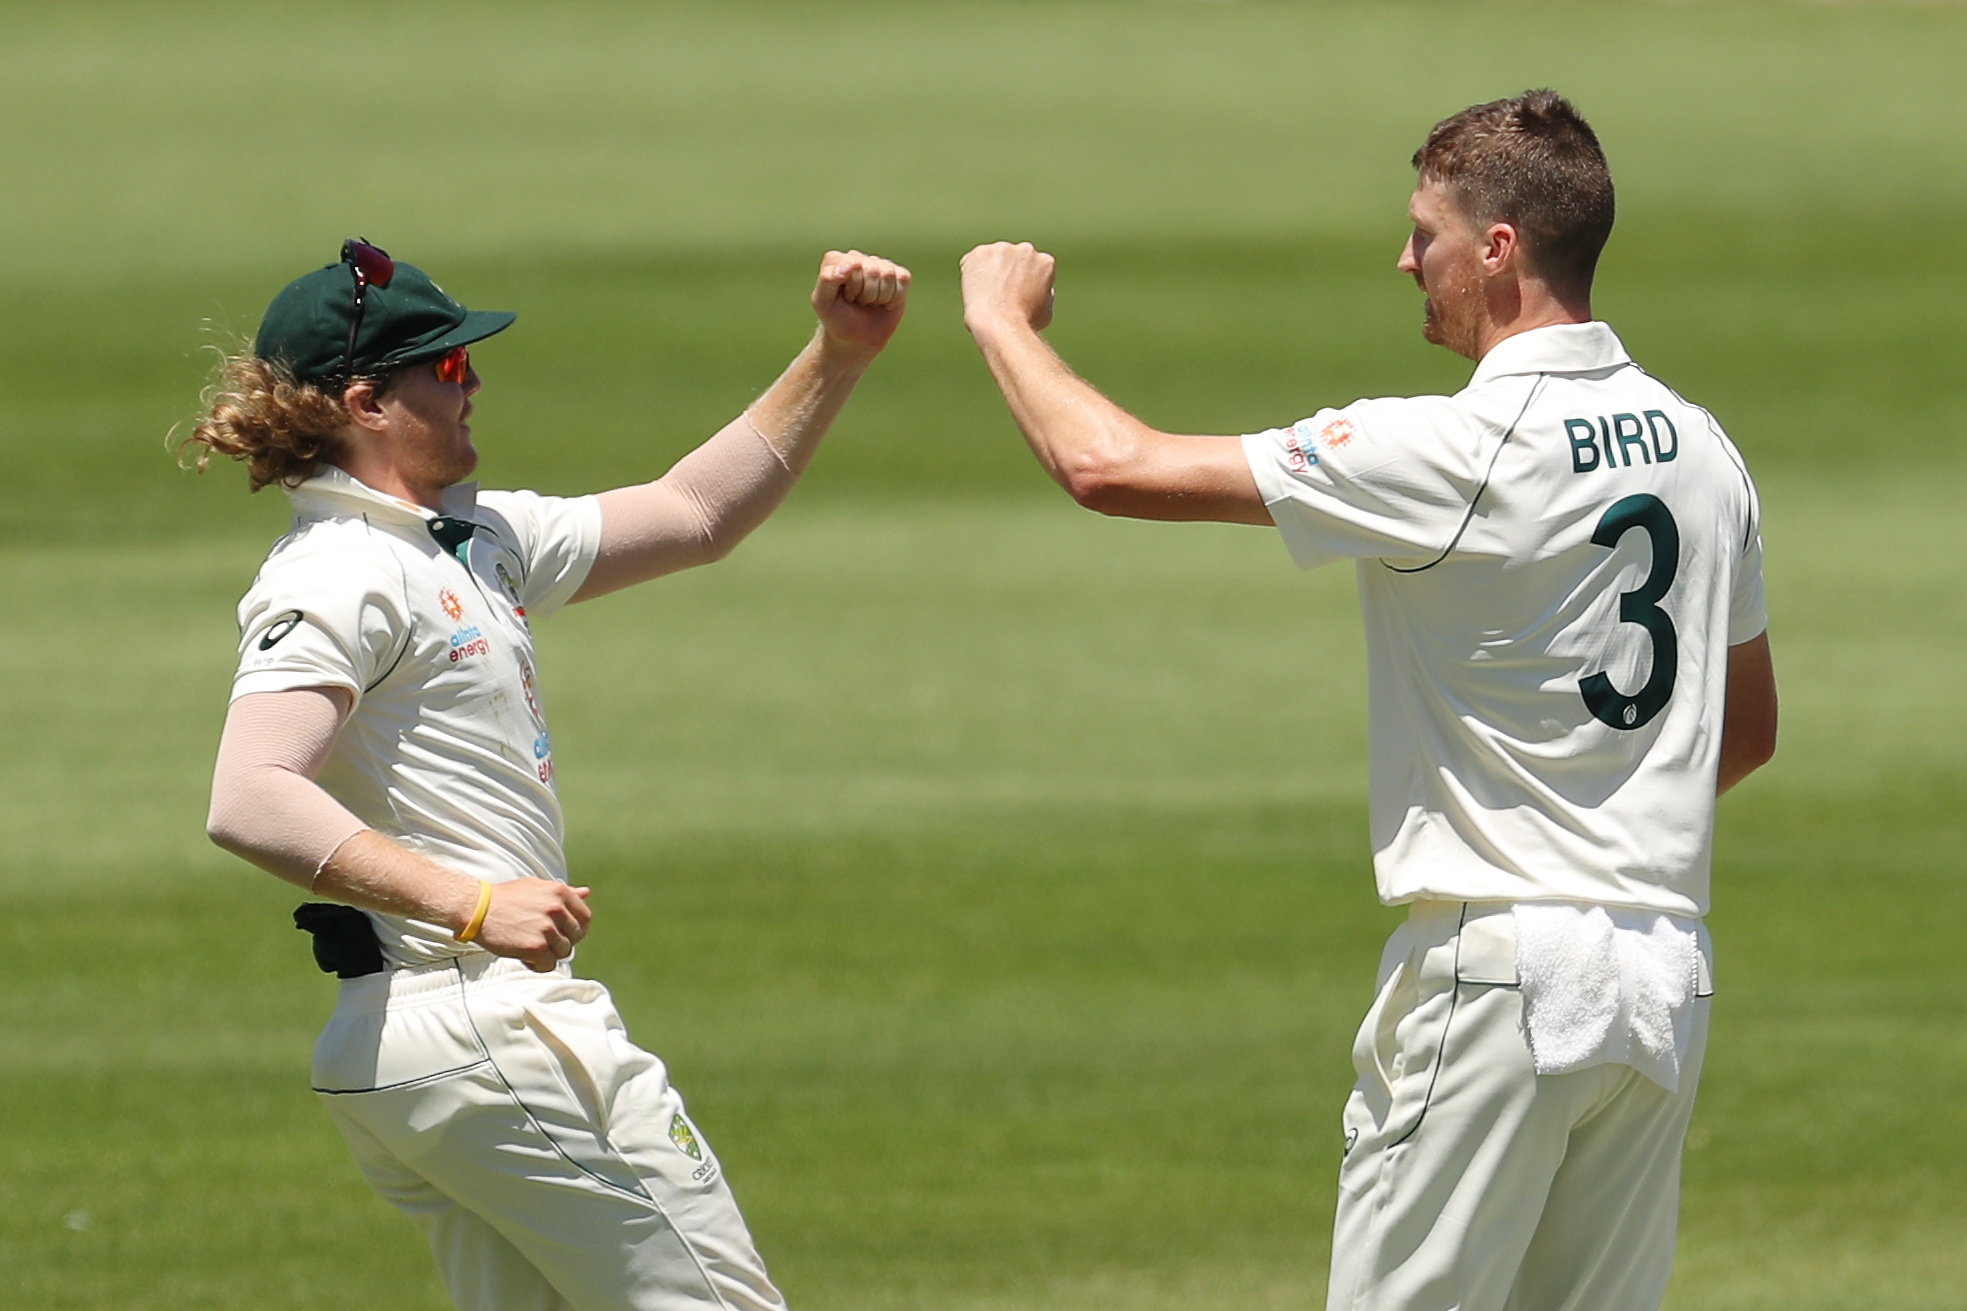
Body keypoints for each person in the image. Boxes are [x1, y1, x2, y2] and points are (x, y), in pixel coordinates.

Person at [957, 90, 1776, 1311]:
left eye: (1424, 233)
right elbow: (1742, 731)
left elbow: (1107, 464)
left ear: (1497, 249)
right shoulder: (1700, 446)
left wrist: (997, 321)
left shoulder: (1460, 447)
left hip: (1501, 971)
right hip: (1662, 976)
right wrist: (1588, 799)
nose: (1403, 259)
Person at [188, 238, 909, 1311]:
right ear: (363, 402)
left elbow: (693, 514)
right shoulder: (341, 570)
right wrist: (472, 903)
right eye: (444, 369)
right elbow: (250, 796)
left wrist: (836, 356)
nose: (472, 380)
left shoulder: (471, 538)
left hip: (427, 1039)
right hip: (481, 1022)